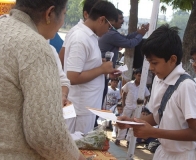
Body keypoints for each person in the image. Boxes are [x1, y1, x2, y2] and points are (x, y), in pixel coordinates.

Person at [0, 0, 85, 159]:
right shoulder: (35, 46)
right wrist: (77, 157)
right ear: (49, 14)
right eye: (64, 14)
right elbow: (45, 133)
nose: (62, 22)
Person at [117, 24, 196, 160]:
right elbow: (157, 116)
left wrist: (154, 132)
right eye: (149, 62)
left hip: (182, 155)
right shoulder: (159, 79)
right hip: (162, 152)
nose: (151, 68)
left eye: (155, 63)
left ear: (172, 59)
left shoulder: (186, 86)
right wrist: (131, 122)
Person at [64, 1, 119, 134]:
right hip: (79, 109)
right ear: (101, 20)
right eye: (110, 26)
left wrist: (103, 66)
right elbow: (72, 76)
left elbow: (85, 64)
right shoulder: (81, 38)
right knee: (76, 146)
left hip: (85, 107)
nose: (108, 31)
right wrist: (101, 69)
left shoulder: (90, 37)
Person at [59, 0, 101, 67]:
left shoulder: (92, 34)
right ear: (86, 15)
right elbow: (62, 59)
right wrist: (102, 69)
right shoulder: (76, 33)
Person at [115, 68, 150, 145]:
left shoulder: (143, 87)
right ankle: (119, 138)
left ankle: (129, 140)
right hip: (128, 106)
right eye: (139, 75)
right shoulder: (129, 84)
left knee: (134, 124)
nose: (140, 77)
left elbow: (147, 96)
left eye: (141, 76)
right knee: (123, 122)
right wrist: (123, 104)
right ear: (135, 75)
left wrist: (143, 105)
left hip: (137, 108)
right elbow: (124, 93)